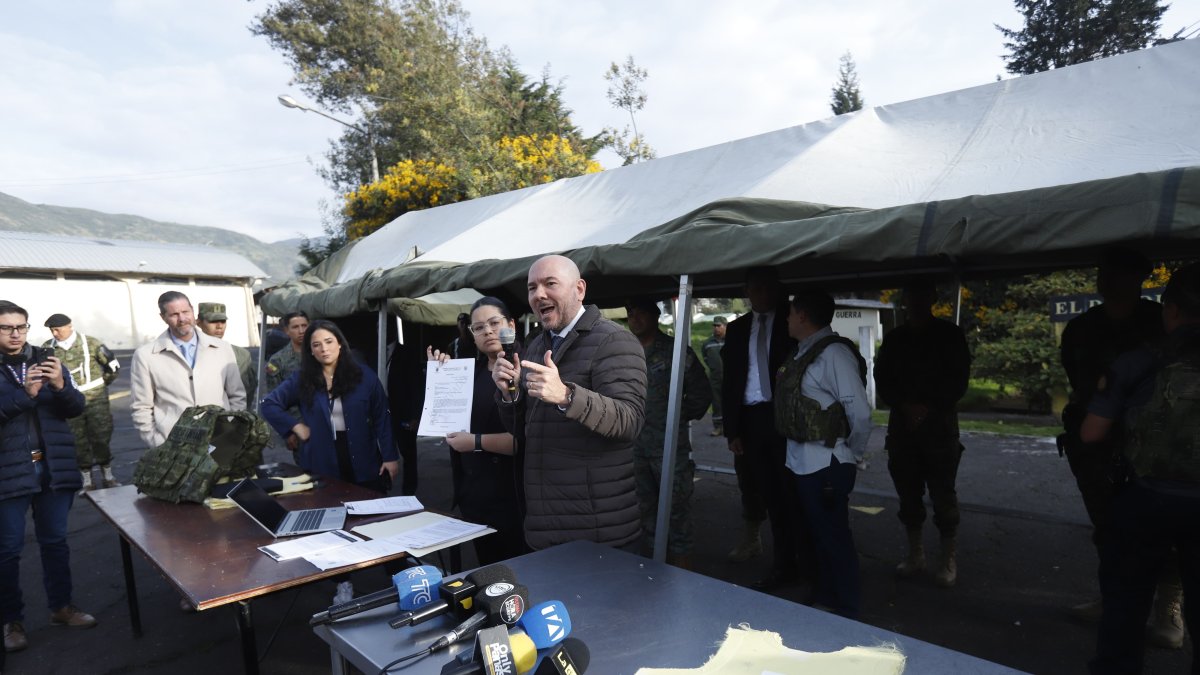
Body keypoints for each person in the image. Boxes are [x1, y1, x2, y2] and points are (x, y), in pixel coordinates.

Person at [1081, 262, 1200, 674]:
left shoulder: (1138, 361)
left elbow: (1092, 433)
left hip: (1143, 501)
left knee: (1124, 610)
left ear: (1170, 310)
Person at [492, 254, 647, 551]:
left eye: (550, 284)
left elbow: (630, 421)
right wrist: (509, 395)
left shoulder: (614, 341)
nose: (539, 294)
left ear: (579, 289)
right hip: (544, 523)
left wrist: (566, 396)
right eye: (532, 287)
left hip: (597, 529)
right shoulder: (537, 345)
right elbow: (524, 429)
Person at [1059, 248, 1177, 634]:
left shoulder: (1158, 325)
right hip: (1097, 447)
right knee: (1108, 526)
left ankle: (1166, 609)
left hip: (1151, 446)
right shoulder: (1082, 328)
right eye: (1104, 271)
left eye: (1120, 272)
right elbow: (1076, 380)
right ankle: (1113, 598)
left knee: (1163, 528)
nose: (1108, 279)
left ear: (1139, 278)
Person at [262, 319, 397, 605]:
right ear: (310, 351)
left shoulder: (363, 376)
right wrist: (294, 427)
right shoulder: (303, 379)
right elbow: (269, 404)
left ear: (340, 344)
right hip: (324, 463)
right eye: (316, 345)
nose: (323, 349)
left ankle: (395, 572)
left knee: (376, 519)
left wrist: (390, 456)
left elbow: (383, 416)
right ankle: (342, 582)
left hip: (362, 458)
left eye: (328, 342)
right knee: (332, 526)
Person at [0, 300, 96, 654]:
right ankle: (12, 621)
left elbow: (75, 409)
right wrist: (24, 396)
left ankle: (61, 607)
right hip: (8, 471)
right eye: (7, 327)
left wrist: (60, 385)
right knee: (7, 551)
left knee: (55, 541)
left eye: (21, 326)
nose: (15, 334)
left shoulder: (47, 358)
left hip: (52, 466)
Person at [775, 289, 871, 618]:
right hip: (801, 463)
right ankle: (825, 599)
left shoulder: (834, 355)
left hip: (827, 463)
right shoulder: (804, 352)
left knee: (834, 539)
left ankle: (846, 608)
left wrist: (853, 454)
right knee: (816, 537)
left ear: (802, 315)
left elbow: (860, 412)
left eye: (790, 313)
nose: (786, 319)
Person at [874, 280, 971, 587]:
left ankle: (948, 559)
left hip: (939, 426)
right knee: (908, 494)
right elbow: (882, 376)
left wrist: (927, 406)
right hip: (903, 427)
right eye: (911, 294)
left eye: (922, 294)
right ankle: (916, 554)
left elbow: (958, 380)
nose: (915, 300)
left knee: (944, 495)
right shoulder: (896, 338)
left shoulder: (949, 336)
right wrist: (904, 405)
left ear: (932, 297)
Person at [428, 297, 526, 564]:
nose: (488, 332)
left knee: (518, 572)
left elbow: (523, 440)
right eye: (479, 328)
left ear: (511, 325)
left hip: (515, 498)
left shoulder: (527, 369)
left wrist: (475, 442)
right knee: (488, 569)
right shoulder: (470, 372)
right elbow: (444, 418)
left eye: (494, 323)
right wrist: (441, 376)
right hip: (475, 495)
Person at [721, 267, 801, 589]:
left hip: (784, 418)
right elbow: (730, 382)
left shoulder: (792, 322)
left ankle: (792, 563)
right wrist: (732, 430)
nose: (762, 294)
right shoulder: (738, 329)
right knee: (763, 490)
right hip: (752, 419)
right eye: (756, 288)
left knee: (790, 494)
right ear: (747, 292)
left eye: (768, 287)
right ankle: (778, 559)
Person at [626, 299, 711, 566]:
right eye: (631, 313)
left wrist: (677, 417)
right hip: (634, 448)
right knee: (643, 510)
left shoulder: (675, 351)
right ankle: (653, 574)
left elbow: (701, 392)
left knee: (676, 511)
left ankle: (681, 576)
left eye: (641, 312)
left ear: (655, 316)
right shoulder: (624, 352)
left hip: (669, 447)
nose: (635, 318)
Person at [129, 291, 246, 449]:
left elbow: (237, 395)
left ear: (193, 311)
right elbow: (141, 406)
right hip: (172, 444)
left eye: (185, 312)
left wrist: (229, 430)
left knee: (223, 474)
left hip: (219, 440)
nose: (182, 319)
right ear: (163, 317)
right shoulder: (146, 356)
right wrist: (156, 441)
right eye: (174, 314)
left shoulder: (222, 348)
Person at [41, 313, 120, 493]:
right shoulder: (48, 348)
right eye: (52, 330)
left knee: (101, 435)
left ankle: (108, 475)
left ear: (70, 326)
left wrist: (100, 386)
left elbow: (113, 367)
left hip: (95, 399)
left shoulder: (91, 343)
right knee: (77, 439)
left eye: (58, 329)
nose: (55, 333)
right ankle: (86, 480)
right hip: (68, 399)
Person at [265, 311, 309, 455]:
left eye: (304, 326)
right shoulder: (277, 361)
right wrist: (287, 432)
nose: (301, 331)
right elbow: (274, 400)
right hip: (297, 426)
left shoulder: (319, 353)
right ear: (286, 331)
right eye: (295, 327)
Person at [195, 302, 258, 403]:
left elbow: (248, 390)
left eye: (223, 321)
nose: (219, 326)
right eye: (213, 321)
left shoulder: (241, 355)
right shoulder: (191, 353)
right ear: (198, 323)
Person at [387, 340, 425, 496]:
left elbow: (417, 385)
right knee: (385, 451)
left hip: (404, 413)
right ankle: (385, 487)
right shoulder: (375, 351)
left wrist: (415, 416)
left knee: (408, 453)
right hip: (382, 411)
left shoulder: (407, 352)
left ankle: (409, 491)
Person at [702, 315, 727, 436]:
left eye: (719, 325)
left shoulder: (732, 340)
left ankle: (730, 427)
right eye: (714, 326)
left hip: (730, 377)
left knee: (730, 402)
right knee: (716, 403)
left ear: (725, 326)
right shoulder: (707, 343)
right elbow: (705, 358)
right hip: (715, 377)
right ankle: (718, 427)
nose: (716, 328)